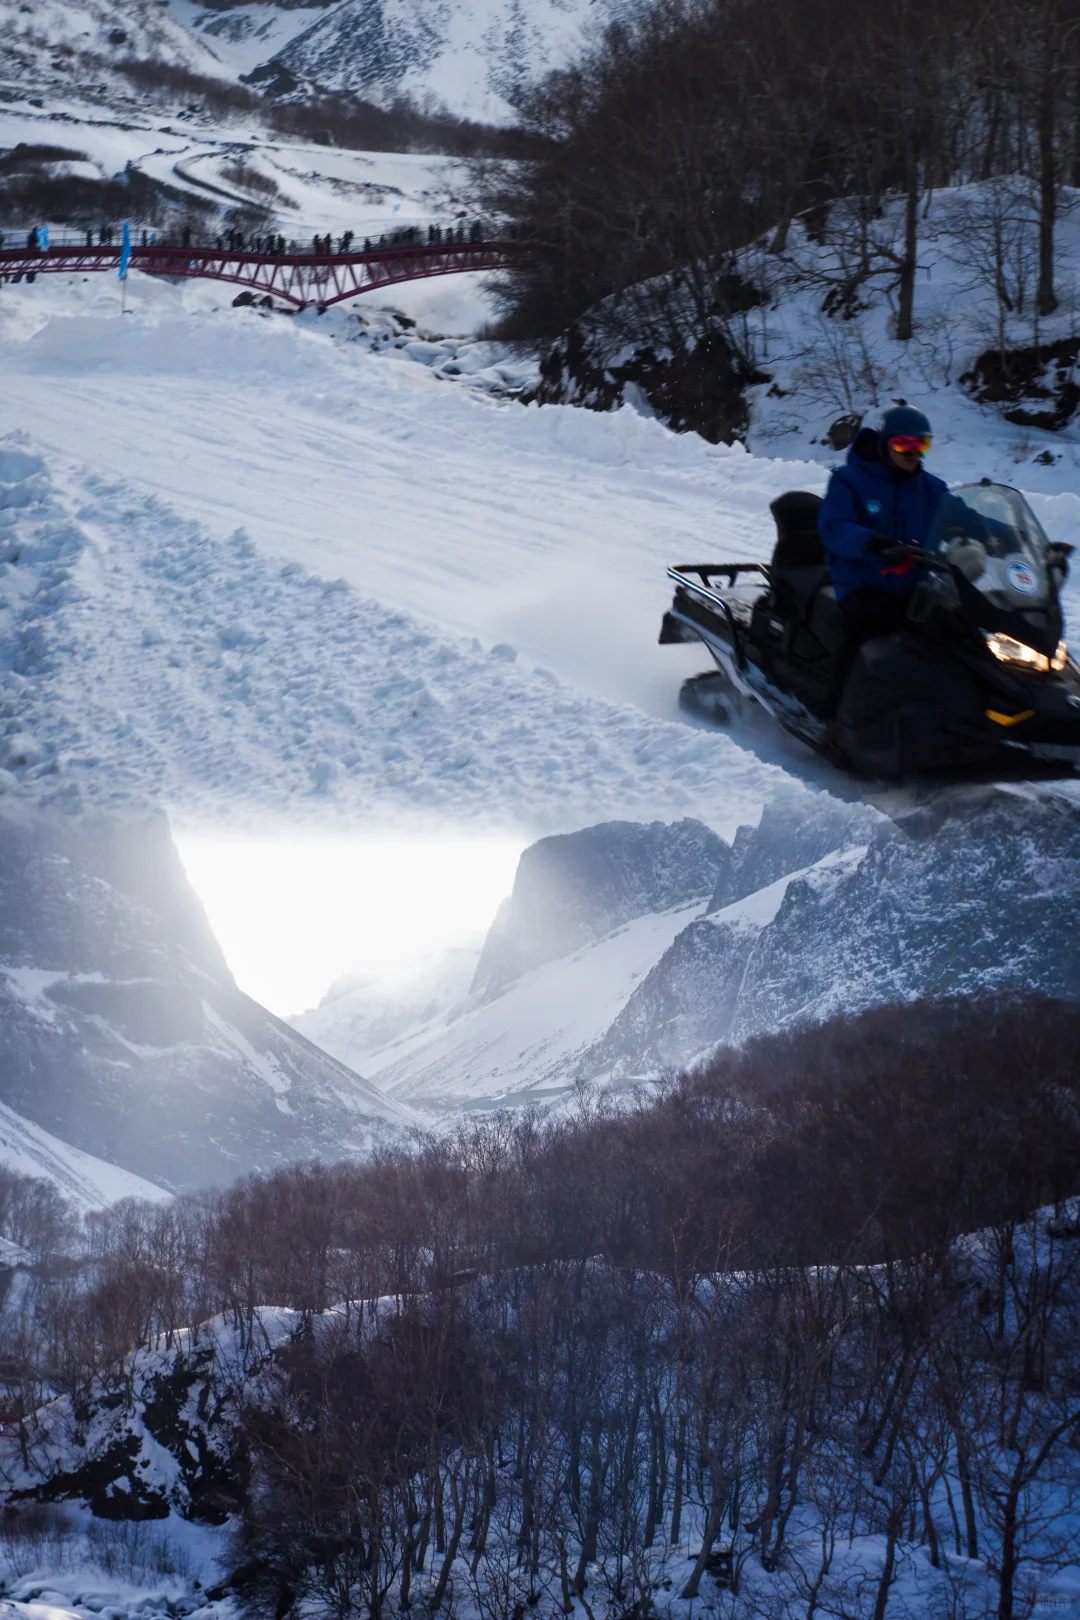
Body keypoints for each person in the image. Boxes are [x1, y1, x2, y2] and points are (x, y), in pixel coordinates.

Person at [819, 405, 947, 646]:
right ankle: (841, 683)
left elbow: (962, 516)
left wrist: (1004, 534)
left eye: (922, 445)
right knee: (869, 641)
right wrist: (870, 542)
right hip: (862, 585)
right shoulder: (849, 480)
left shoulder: (933, 488)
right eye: (904, 444)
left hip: (915, 586)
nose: (913, 453)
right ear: (884, 444)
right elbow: (834, 527)